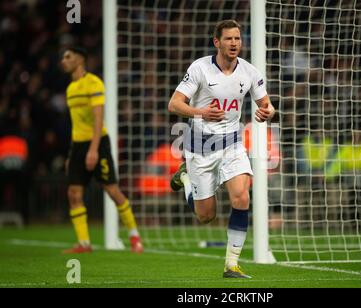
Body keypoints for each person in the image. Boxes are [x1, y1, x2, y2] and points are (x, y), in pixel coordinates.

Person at [168, 20, 275, 278]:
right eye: (228, 39)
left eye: (237, 39)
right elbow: (174, 104)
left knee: (242, 197)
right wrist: (200, 111)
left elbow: (268, 104)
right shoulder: (200, 69)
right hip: (200, 146)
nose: (234, 43)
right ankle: (186, 178)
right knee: (206, 216)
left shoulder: (249, 71)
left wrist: (267, 111)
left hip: (231, 143)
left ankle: (231, 264)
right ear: (217, 42)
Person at [61, 47, 143, 254]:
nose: (63, 60)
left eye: (68, 57)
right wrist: (73, 153)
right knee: (73, 193)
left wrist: (93, 150)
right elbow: (76, 124)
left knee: (112, 191)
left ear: (80, 59)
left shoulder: (94, 83)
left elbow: (98, 119)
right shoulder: (70, 88)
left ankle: (134, 236)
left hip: (98, 143)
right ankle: (84, 243)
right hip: (78, 146)